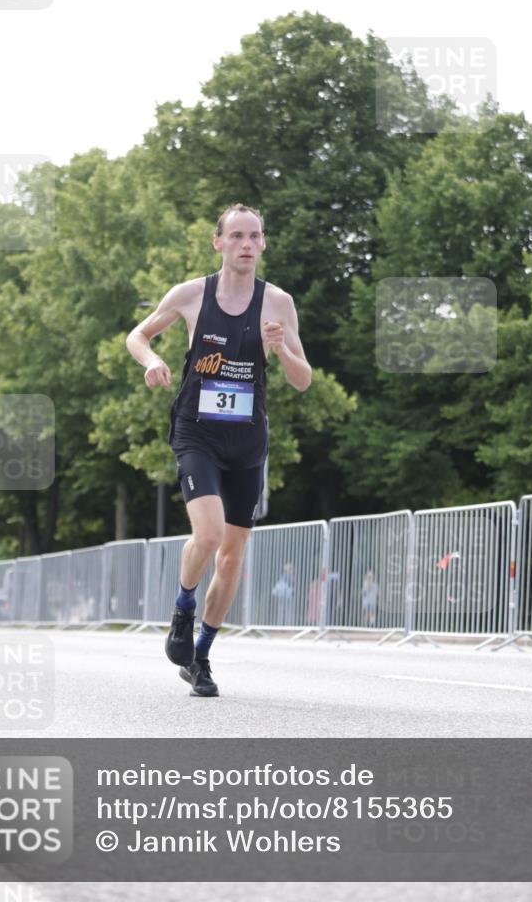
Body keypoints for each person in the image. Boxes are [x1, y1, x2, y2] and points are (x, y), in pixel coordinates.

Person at [126, 203, 312, 696]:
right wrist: (150, 360)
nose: (246, 244)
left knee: (232, 557)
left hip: (247, 440)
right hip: (198, 432)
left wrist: (283, 350)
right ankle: (183, 607)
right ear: (219, 242)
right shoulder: (191, 294)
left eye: (255, 236)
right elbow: (138, 334)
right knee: (206, 537)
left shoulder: (278, 304)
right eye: (236, 236)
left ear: (264, 244)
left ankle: (201, 658)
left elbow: (303, 380)